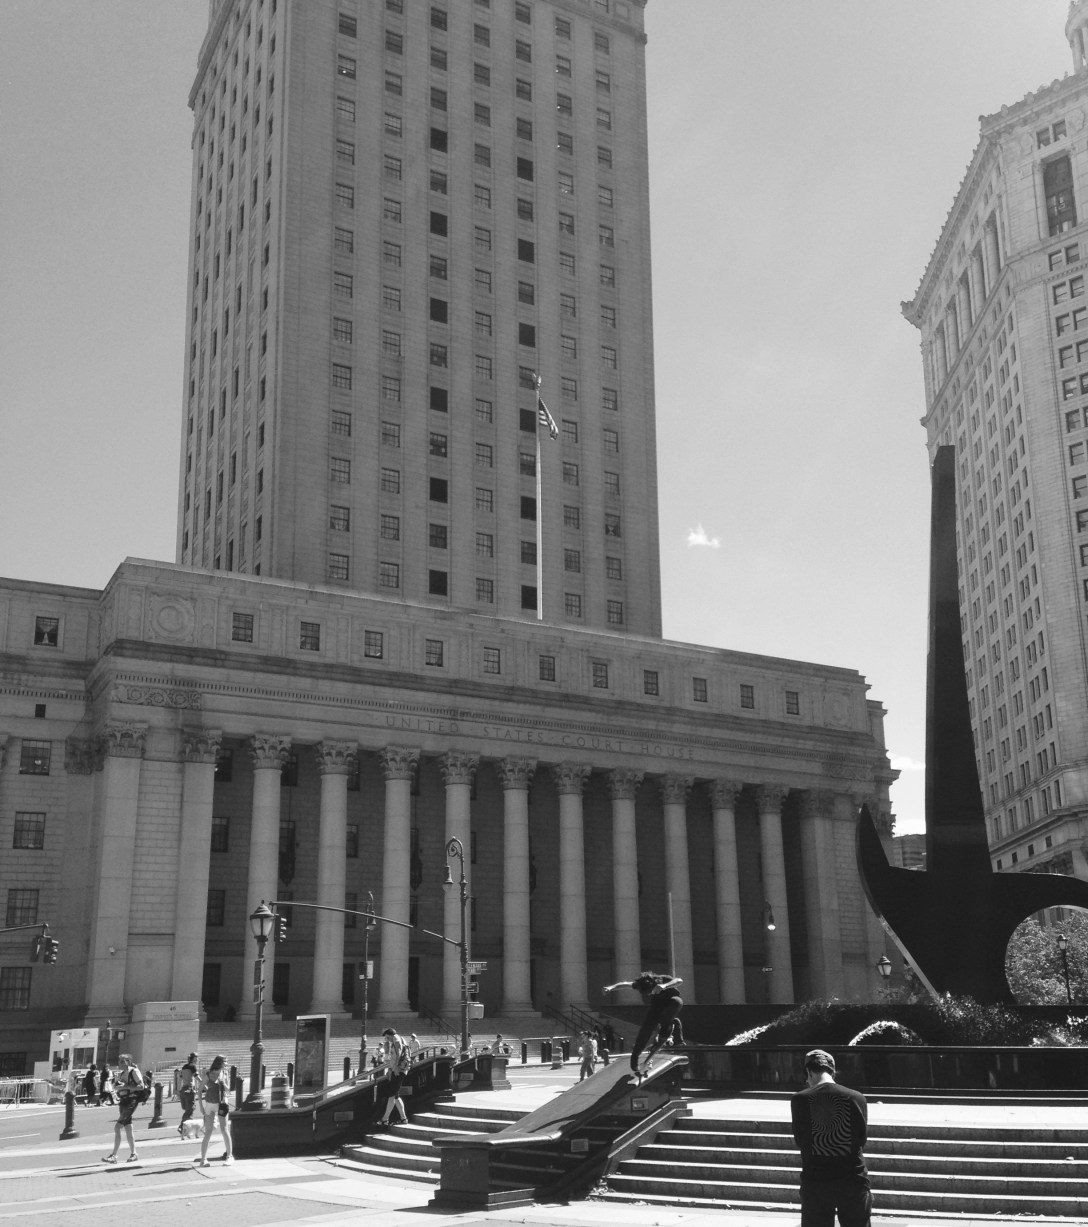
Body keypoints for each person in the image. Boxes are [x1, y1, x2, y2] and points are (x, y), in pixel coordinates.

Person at [790, 1049, 871, 1227]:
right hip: (852, 1179)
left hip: (816, 1180)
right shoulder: (856, 1097)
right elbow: (861, 1139)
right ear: (833, 1071)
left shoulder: (800, 1100)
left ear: (809, 1072)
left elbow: (800, 1140)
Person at [603, 972, 684, 1076]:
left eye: (651, 991)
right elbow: (624, 984)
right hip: (657, 1006)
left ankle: (666, 1027)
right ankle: (635, 1055)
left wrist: (665, 985)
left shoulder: (662, 979)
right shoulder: (641, 984)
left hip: (672, 1002)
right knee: (646, 1028)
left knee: (675, 1001)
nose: (651, 994)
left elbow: (679, 980)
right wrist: (611, 988)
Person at [102, 1054, 144, 1163]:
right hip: (123, 1101)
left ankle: (114, 1156)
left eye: (122, 1061)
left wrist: (125, 1086)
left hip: (131, 1101)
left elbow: (141, 1086)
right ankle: (134, 1153)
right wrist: (117, 1087)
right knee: (128, 1128)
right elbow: (121, 1086)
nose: (120, 1063)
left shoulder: (134, 1071)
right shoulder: (122, 1074)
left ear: (128, 1062)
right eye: (119, 1061)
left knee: (117, 1127)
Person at [196, 1053, 234, 1166]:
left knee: (224, 1129)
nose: (226, 1064)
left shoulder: (224, 1073)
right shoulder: (208, 1074)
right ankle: (203, 1159)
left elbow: (228, 1091)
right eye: (225, 1062)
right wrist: (201, 1106)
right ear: (219, 1063)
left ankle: (229, 1156)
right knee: (208, 1131)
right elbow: (199, 1090)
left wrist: (223, 1084)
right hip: (210, 1104)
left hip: (221, 1103)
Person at [377, 1027, 410, 1126]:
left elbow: (399, 1053)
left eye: (387, 1037)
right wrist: (391, 1069)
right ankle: (403, 1119)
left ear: (390, 1034)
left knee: (391, 1095)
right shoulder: (398, 1039)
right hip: (400, 1069)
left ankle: (385, 1119)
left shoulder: (396, 1038)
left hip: (399, 1070)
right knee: (395, 1096)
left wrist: (395, 1068)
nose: (387, 1039)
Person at [177, 1051, 198, 1135]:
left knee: (188, 1109)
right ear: (194, 1058)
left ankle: (185, 1129)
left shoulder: (184, 1067)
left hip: (183, 1089)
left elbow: (180, 1078)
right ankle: (183, 1127)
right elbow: (197, 1077)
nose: (197, 1060)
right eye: (196, 1058)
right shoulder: (193, 1066)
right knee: (190, 1109)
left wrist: (178, 1090)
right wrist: (205, 1086)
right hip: (189, 1089)